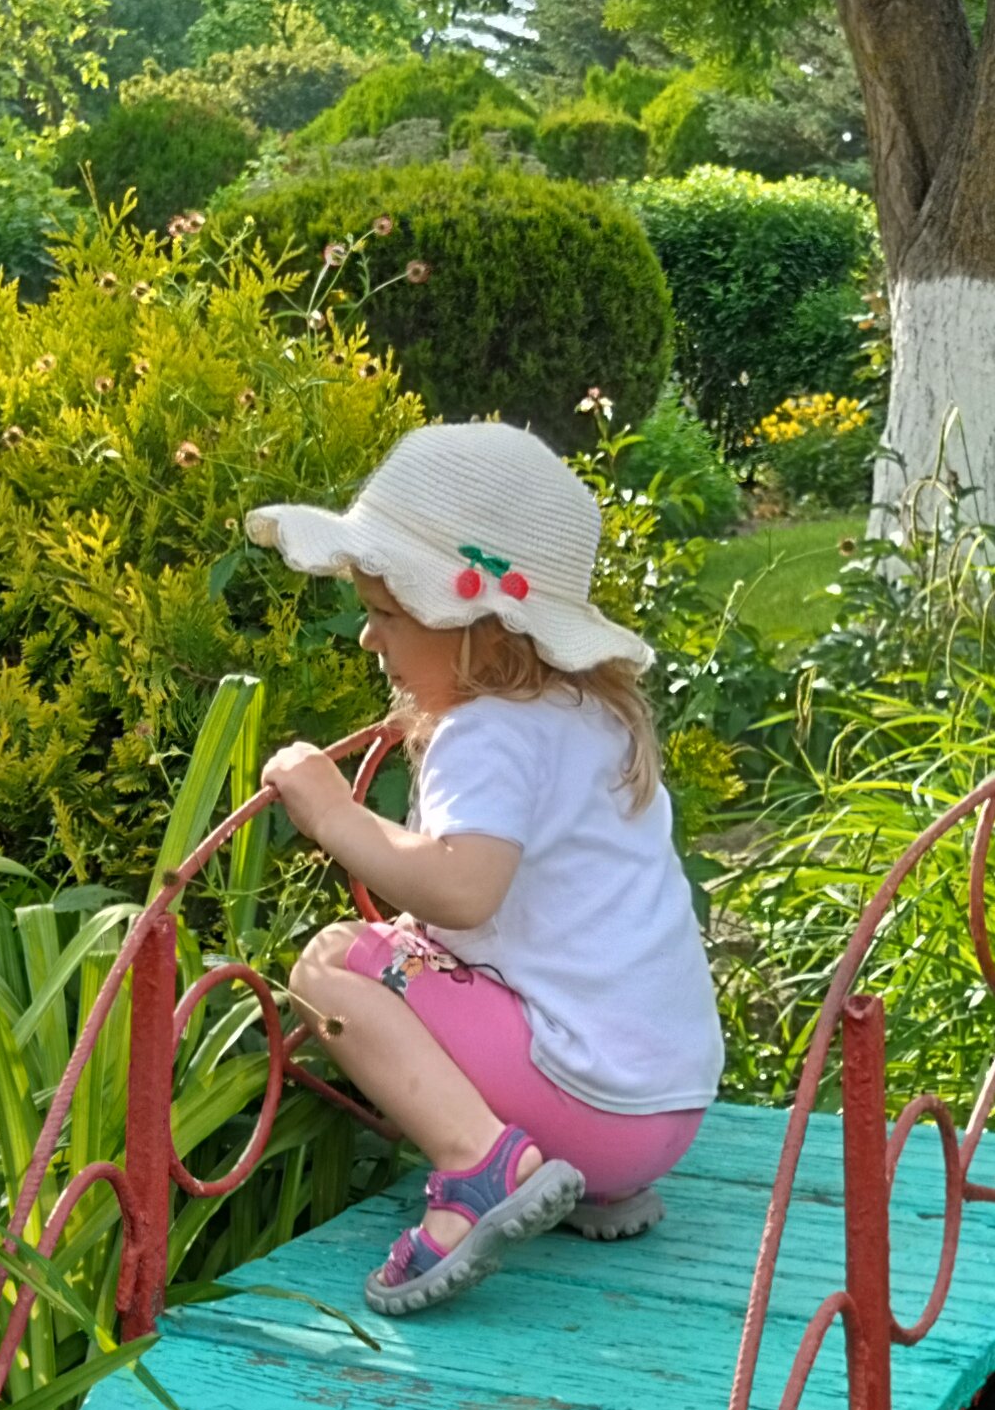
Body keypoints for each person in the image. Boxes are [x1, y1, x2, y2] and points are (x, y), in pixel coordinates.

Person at [245, 420, 724, 1317]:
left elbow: (464, 892)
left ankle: (482, 1165)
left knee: (331, 965)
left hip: (585, 1098)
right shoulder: (591, 713)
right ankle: (599, 1184)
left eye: (386, 614)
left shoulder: (490, 730)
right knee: (411, 951)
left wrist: (335, 813)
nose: (367, 639)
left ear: (474, 628)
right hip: (663, 1111)